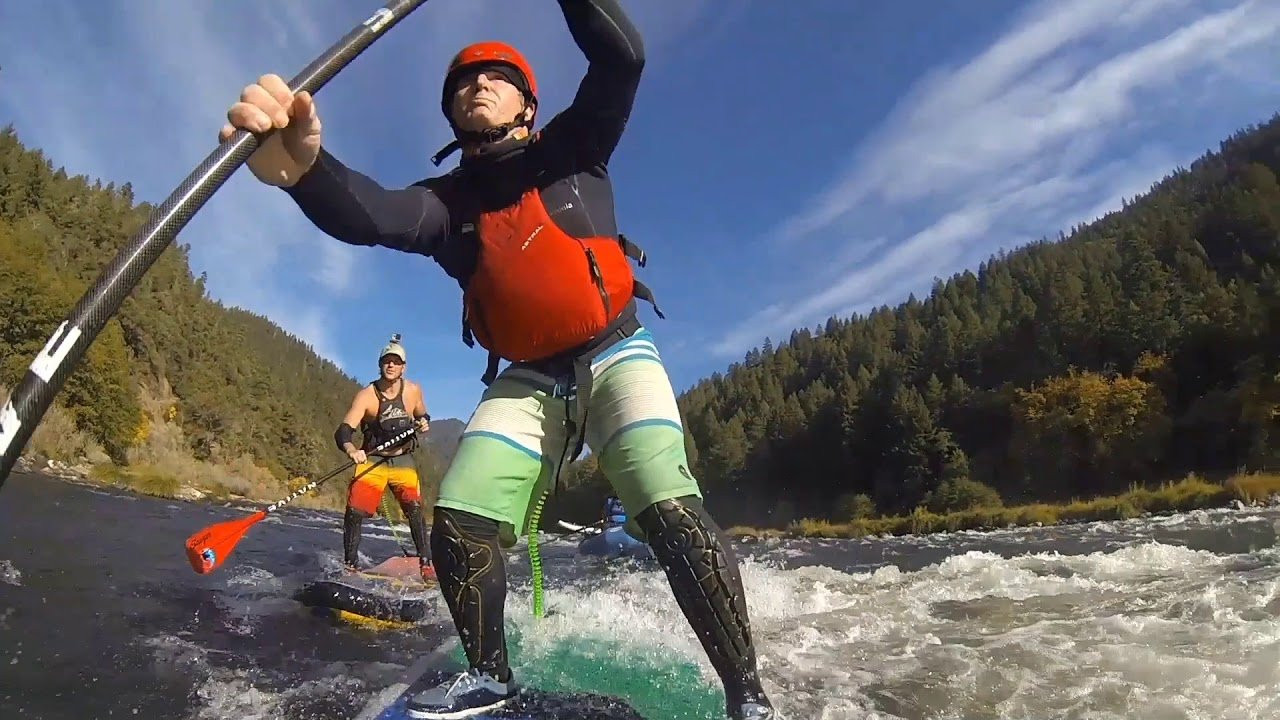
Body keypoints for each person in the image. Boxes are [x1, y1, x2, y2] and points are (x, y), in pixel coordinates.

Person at [219, 1, 776, 718]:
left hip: (616, 351)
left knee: (667, 508)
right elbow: (369, 214)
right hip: (529, 377)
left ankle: (748, 698)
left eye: (495, 77)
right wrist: (303, 168)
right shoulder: (448, 206)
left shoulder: (574, 148)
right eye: (461, 83)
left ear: (527, 102)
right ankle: (490, 676)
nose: (475, 85)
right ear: (451, 115)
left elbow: (621, 60)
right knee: (460, 517)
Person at [334, 334, 435, 583]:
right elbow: (344, 430)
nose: (391, 365)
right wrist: (351, 450)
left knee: (414, 508)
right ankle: (350, 565)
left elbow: (424, 415)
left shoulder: (413, 391)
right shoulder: (367, 395)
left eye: (396, 362)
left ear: (403, 367)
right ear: (380, 365)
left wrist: (423, 423)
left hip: (402, 460)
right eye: (386, 361)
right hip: (373, 460)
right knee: (355, 511)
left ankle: (426, 562)